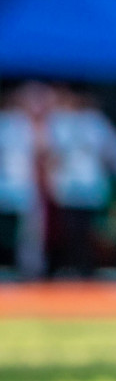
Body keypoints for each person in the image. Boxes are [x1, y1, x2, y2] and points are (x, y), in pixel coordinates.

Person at [42, 87, 116, 276]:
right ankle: (70, 266)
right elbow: (50, 154)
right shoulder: (58, 121)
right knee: (68, 230)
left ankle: (87, 268)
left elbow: (109, 154)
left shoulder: (95, 122)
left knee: (88, 231)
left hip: (90, 185)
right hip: (67, 185)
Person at [0, 85, 38, 276]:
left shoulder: (25, 124)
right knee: (4, 230)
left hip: (22, 187)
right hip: (4, 185)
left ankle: (20, 267)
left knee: (23, 234)